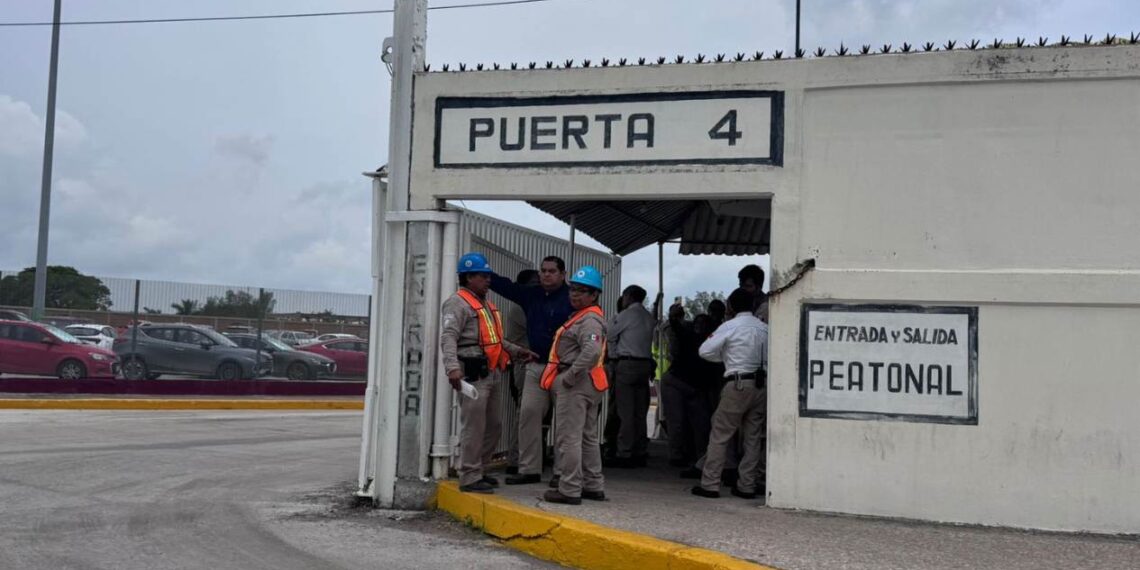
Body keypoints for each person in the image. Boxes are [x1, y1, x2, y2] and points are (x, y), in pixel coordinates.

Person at [440, 252, 537, 494]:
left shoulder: (485, 304)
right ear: (468, 277)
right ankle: (469, 476)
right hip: (473, 373)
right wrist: (452, 368)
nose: (488, 280)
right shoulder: (458, 303)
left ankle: (480, 469)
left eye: (488, 276)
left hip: (490, 371)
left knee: (493, 425)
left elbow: (495, 340)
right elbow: (448, 336)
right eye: (483, 276)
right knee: (474, 425)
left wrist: (518, 351)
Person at [489, 256, 574, 486]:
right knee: (528, 415)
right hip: (536, 366)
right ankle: (529, 469)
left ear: (563, 274)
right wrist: (483, 271)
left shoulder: (573, 298)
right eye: (543, 271)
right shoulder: (532, 295)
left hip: (563, 368)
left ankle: (562, 473)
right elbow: (506, 287)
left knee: (565, 423)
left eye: (552, 271)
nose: (546, 275)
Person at [541, 266, 609, 505]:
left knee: (569, 437)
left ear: (594, 295)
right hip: (589, 383)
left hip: (577, 383)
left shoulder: (589, 319)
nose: (575, 295)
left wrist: (570, 376)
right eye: (574, 290)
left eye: (583, 291)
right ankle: (593, 484)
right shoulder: (584, 316)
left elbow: (591, 350)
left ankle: (569, 488)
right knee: (587, 437)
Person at [691, 288, 768, 500]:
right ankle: (747, 485)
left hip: (737, 383)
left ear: (730, 307)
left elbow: (705, 350)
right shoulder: (764, 328)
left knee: (720, 433)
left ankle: (710, 484)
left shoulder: (730, 326)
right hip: (761, 385)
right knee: (752, 437)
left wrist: (726, 359)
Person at [608, 284, 657, 467]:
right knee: (639, 412)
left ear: (628, 296)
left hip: (626, 363)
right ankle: (640, 449)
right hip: (644, 365)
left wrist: (613, 355)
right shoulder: (648, 317)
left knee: (625, 412)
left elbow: (610, 334)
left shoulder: (626, 315)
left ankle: (624, 452)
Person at [661, 307, 714, 469]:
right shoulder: (691, 338)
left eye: (702, 324)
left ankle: (694, 455)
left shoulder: (708, 342)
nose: (698, 326)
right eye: (697, 323)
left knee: (696, 424)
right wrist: (672, 318)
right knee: (679, 421)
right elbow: (676, 329)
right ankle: (678, 455)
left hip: (686, 383)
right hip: (678, 382)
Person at [504, 269, 539, 475]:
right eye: (534, 283)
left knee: (532, 414)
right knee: (524, 413)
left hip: (530, 363)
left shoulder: (527, 305)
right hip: (524, 364)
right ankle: (516, 459)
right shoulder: (521, 307)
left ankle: (528, 456)